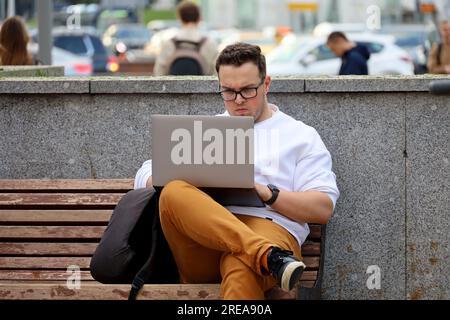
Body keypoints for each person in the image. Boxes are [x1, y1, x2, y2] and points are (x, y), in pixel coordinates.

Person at [135, 43, 339, 299]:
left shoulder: (300, 135)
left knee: (240, 264)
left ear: (266, 84)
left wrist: (266, 193)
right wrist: (192, 182)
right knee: (174, 191)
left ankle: (260, 254)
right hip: (206, 240)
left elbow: (322, 208)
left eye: (247, 90)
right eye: (229, 92)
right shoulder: (206, 131)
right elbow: (144, 174)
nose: (238, 100)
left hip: (270, 226)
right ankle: (268, 256)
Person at [153, 0, 218, 76]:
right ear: (199, 17)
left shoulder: (169, 44)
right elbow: (215, 74)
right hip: (200, 87)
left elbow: (159, 73)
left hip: (174, 87)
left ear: (179, 17)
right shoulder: (209, 44)